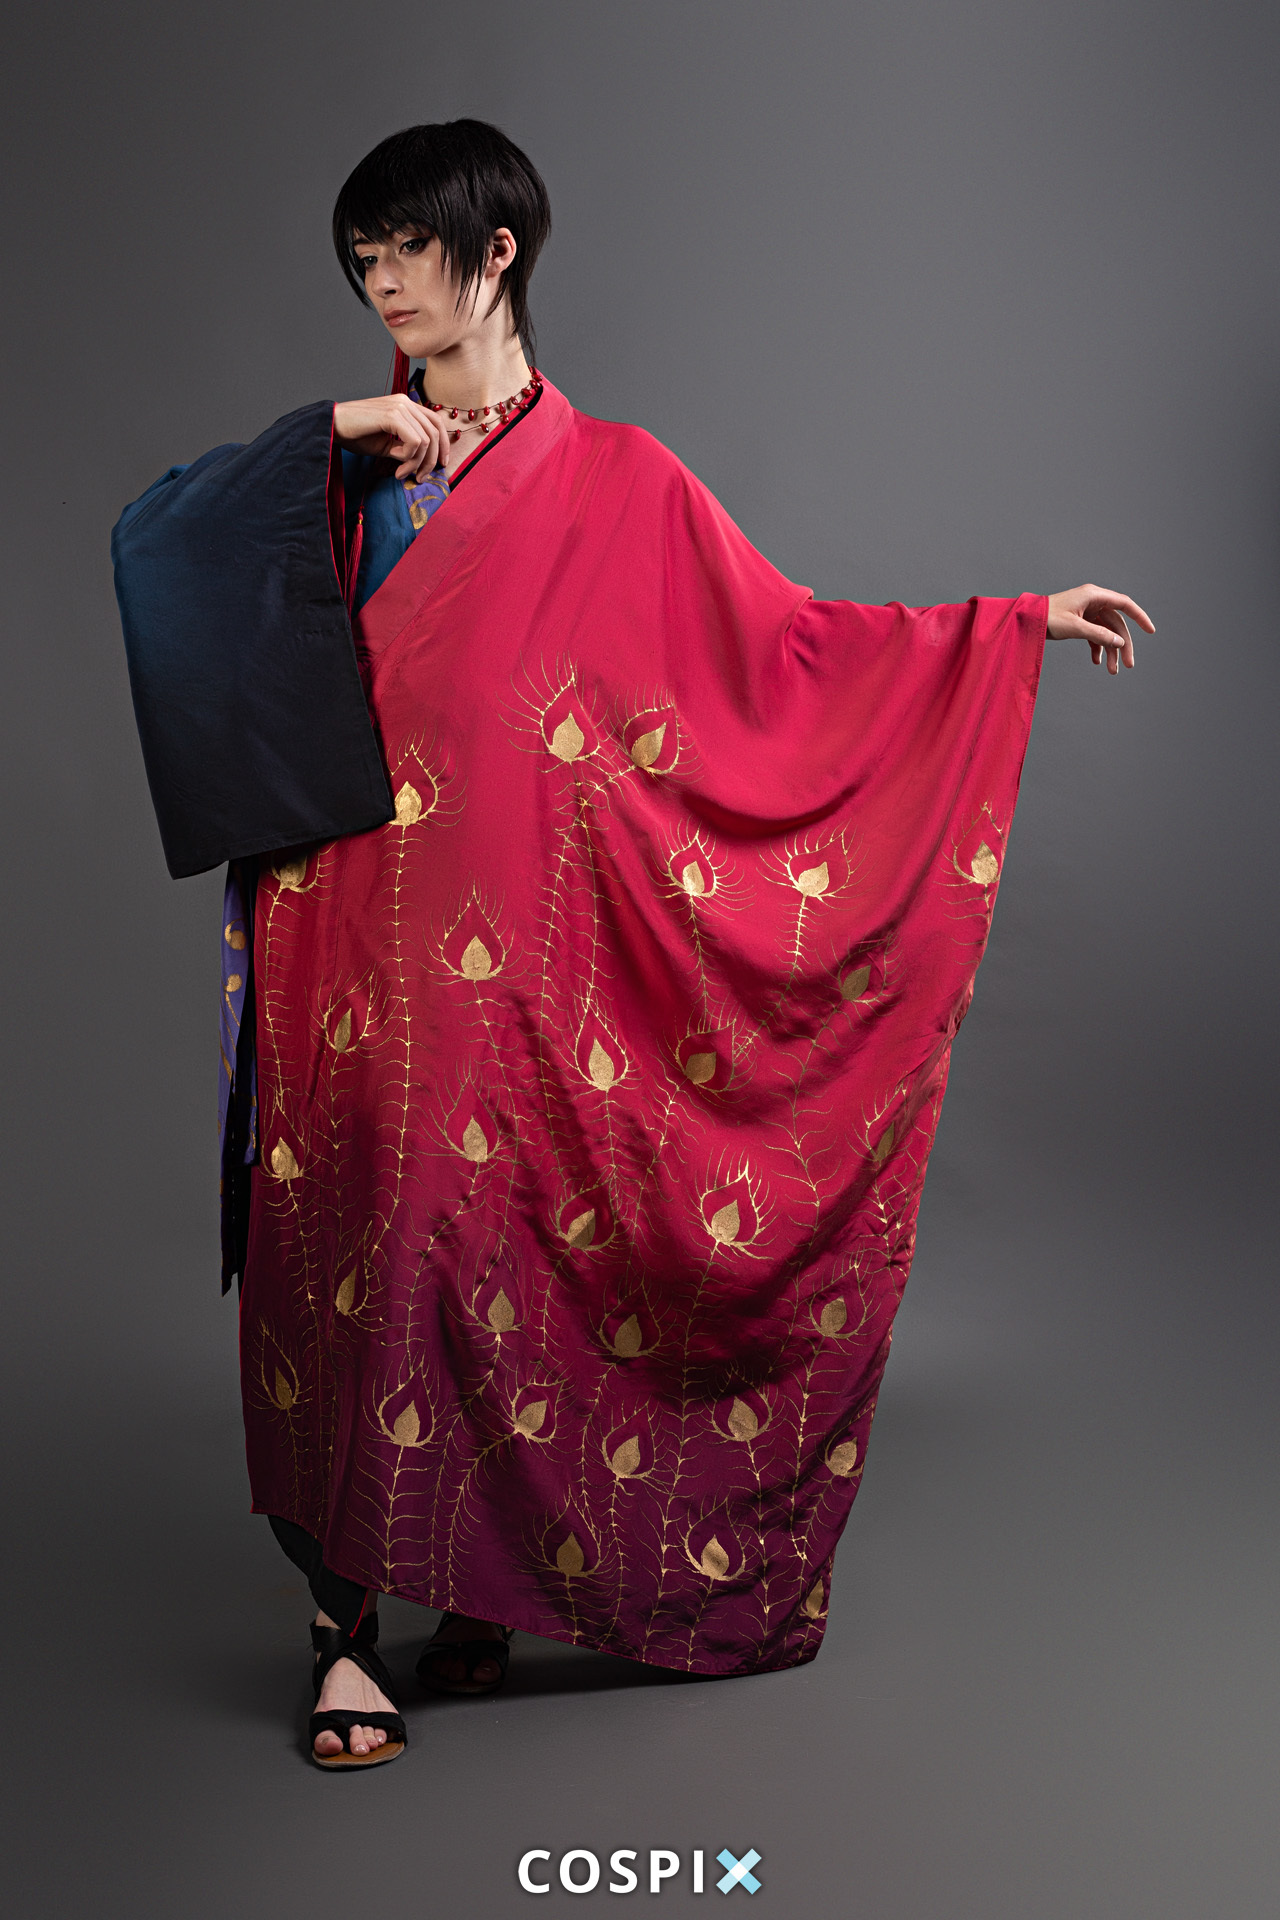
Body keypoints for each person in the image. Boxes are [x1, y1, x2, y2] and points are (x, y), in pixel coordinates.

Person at [112, 119, 1153, 1770]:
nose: (381, 280)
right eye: (361, 257)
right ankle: (341, 1636)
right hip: (345, 930)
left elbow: (791, 647)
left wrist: (1011, 625)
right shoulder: (343, 467)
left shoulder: (625, 480)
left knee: (500, 1240)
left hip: (527, 951)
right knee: (355, 1238)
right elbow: (160, 547)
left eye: (406, 247)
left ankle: (471, 1582)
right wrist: (328, 432)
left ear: (496, 251)